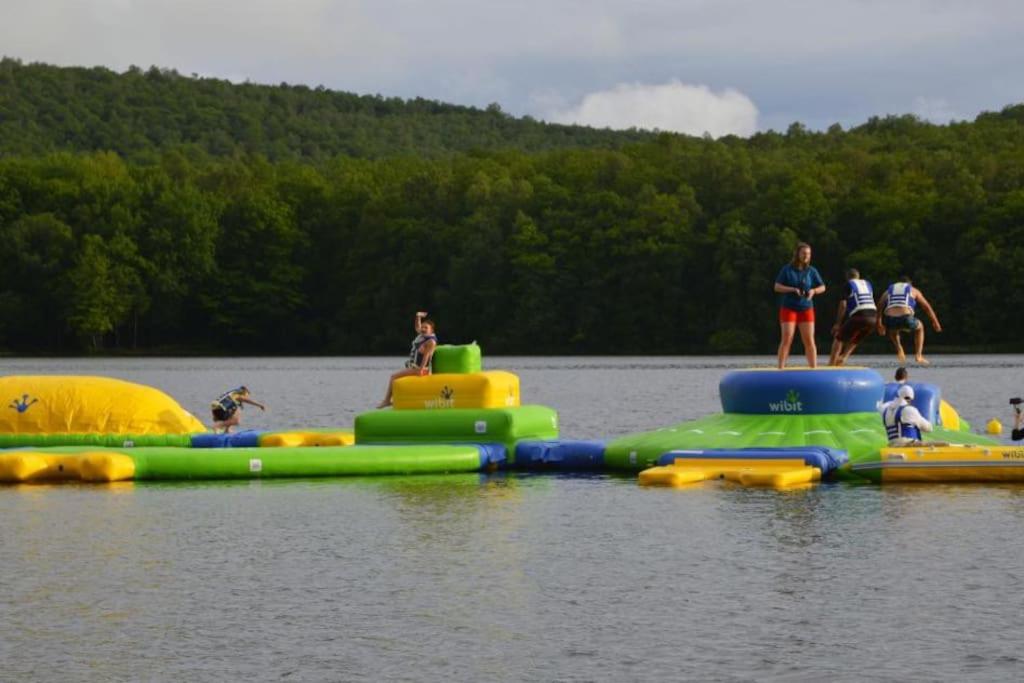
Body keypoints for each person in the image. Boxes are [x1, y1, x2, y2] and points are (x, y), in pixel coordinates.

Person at [773, 242, 826, 369]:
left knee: (809, 340)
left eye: (808, 254)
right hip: (789, 307)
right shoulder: (787, 269)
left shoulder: (812, 271)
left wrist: (813, 291)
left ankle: (813, 368)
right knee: (787, 338)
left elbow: (823, 287)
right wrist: (792, 289)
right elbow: (777, 287)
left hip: (806, 307)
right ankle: (780, 368)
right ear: (797, 254)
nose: (806, 256)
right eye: (804, 253)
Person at [377, 311, 438, 409]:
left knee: (393, 377)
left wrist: (420, 370)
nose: (422, 329)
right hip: (415, 367)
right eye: (422, 327)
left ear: (431, 330)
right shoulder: (423, 336)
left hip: (421, 369)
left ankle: (387, 400)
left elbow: (426, 356)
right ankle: (398, 401)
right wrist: (418, 316)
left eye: (426, 328)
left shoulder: (431, 341)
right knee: (397, 378)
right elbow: (417, 327)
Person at [876, 277, 942, 366]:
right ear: (909, 284)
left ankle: (899, 348)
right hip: (905, 318)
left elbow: (879, 305)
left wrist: (879, 323)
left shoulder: (888, 291)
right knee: (920, 327)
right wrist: (935, 322)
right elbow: (927, 307)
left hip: (889, 319)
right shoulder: (913, 290)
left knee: (893, 330)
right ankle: (918, 356)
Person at [828, 268, 878, 366]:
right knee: (856, 338)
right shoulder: (867, 284)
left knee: (839, 338)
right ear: (858, 276)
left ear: (847, 277)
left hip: (860, 315)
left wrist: (838, 323)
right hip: (874, 318)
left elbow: (843, 305)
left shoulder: (848, 284)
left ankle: (831, 364)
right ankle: (843, 358)